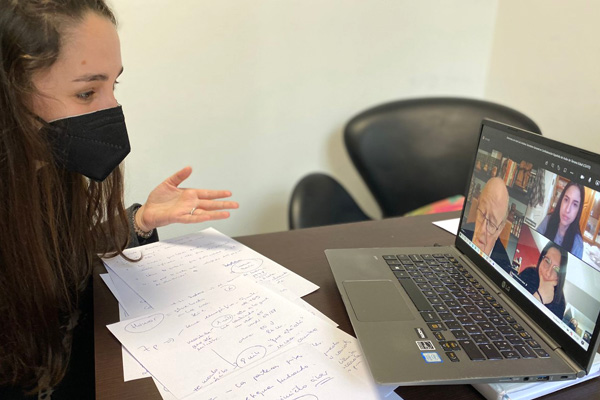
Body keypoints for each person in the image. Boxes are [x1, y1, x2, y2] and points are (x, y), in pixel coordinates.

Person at [0, 1, 238, 398]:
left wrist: (138, 222)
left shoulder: (46, 171)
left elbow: (56, 264)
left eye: (114, 86)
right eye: (87, 92)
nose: (112, 108)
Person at [462, 177, 512, 272]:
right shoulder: (464, 231)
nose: (482, 229)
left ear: (499, 230)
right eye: (482, 214)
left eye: (492, 224)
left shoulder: (504, 269)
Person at [517, 242, 568, 319]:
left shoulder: (560, 303)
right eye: (547, 261)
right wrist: (539, 296)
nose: (548, 273)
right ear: (541, 259)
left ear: (559, 276)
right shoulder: (528, 273)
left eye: (556, 269)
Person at [537, 181, 585, 258]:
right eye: (566, 200)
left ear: (579, 210)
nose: (567, 210)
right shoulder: (548, 221)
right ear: (561, 200)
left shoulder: (578, 245)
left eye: (575, 204)